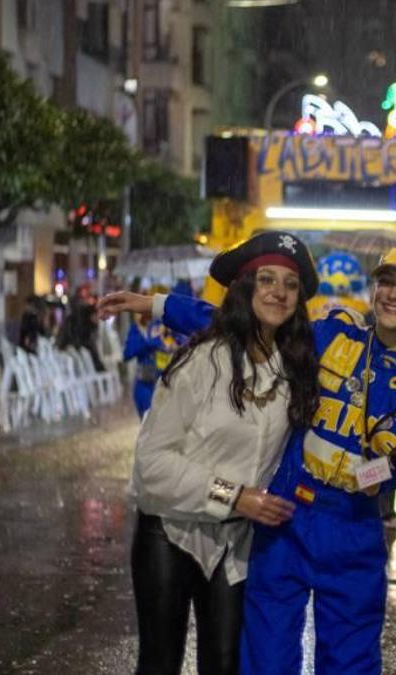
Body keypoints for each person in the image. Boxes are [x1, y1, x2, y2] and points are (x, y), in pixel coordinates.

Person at [151, 245, 396, 674]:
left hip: (354, 533)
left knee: (350, 665)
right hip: (283, 522)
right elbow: (246, 328)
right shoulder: (330, 335)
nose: (393, 295)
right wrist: (160, 305)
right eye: (386, 282)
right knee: (265, 663)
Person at [112, 231, 320, 675]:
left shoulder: (296, 368)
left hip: (233, 542)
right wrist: (235, 495)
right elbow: (152, 466)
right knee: (160, 663)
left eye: (290, 283)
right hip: (171, 532)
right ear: (246, 288)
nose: (278, 292)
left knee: (225, 664)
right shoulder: (201, 361)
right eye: (266, 279)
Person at [123, 310, 184, 419]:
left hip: (168, 385)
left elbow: (183, 342)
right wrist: (149, 343)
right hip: (145, 385)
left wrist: (171, 342)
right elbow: (127, 353)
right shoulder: (136, 330)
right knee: (148, 426)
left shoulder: (166, 326)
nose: (139, 314)